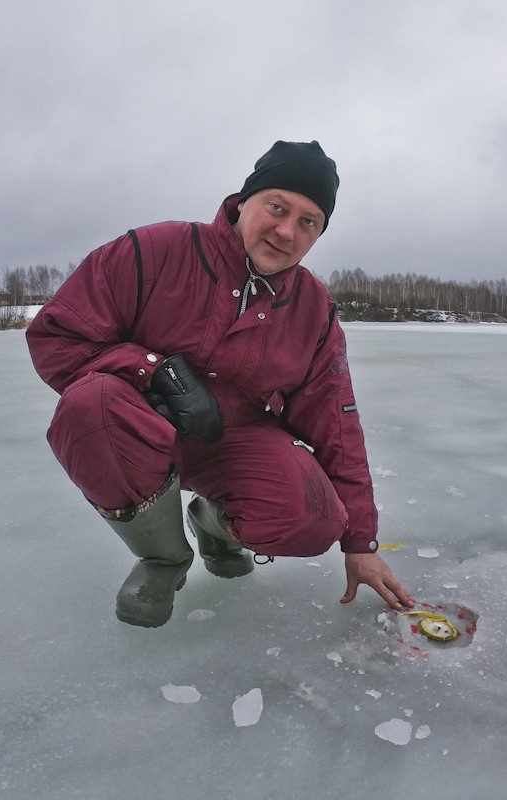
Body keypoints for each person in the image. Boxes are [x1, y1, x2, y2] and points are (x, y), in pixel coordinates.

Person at [26, 140, 416, 627]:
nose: (286, 230)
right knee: (90, 405)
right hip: (142, 431)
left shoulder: (313, 309)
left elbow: (337, 422)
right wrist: (151, 369)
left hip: (235, 447)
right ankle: (163, 558)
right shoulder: (154, 251)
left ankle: (214, 525)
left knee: (316, 517)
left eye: (308, 222)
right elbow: (58, 335)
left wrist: (360, 541)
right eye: (277, 207)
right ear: (245, 199)